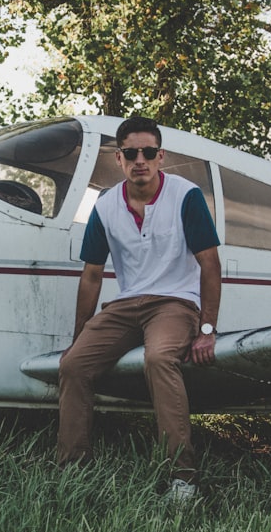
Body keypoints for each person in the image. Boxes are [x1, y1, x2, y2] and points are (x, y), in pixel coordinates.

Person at [56, 115, 222, 501]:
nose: (140, 160)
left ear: (161, 156)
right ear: (119, 159)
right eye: (131, 153)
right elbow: (92, 275)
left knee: (159, 358)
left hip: (175, 303)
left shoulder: (186, 196)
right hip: (127, 304)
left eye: (148, 152)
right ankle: (72, 469)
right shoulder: (106, 204)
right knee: (72, 365)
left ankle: (183, 478)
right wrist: (79, 337)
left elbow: (210, 265)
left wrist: (207, 329)